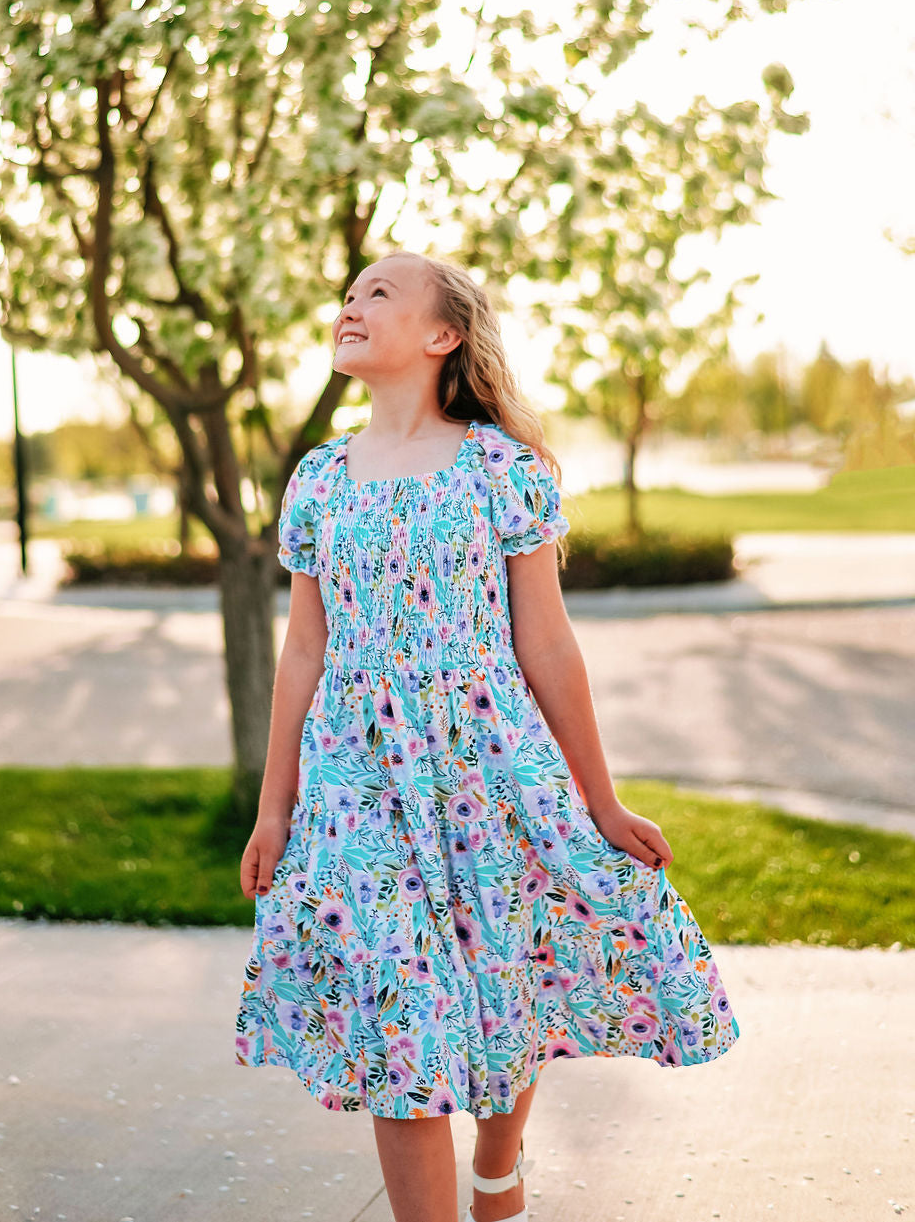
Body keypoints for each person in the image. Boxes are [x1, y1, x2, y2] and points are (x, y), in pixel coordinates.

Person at [234, 250, 740, 1222]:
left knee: (504, 978)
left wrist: (599, 798)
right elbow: (302, 650)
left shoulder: (501, 471)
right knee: (399, 1024)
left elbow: (545, 641)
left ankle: (497, 1167)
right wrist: (276, 805)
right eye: (345, 292)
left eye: (376, 292)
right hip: (358, 787)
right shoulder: (318, 480)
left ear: (442, 334)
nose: (349, 303)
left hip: (487, 771)